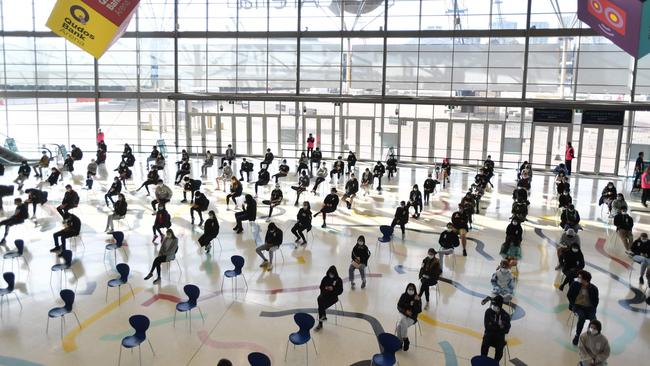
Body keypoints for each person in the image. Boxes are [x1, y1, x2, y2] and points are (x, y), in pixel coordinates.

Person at [568, 270, 599, 346]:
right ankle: (577, 335)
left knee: (594, 321)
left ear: (585, 279)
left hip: (589, 308)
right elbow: (569, 295)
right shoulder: (575, 284)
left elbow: (596, 301)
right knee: (582, 317)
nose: (578, 278)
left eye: (580, 277)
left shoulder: (594, 289)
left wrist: (593, 309)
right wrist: (573, 305)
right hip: (578, 307)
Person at [480, 295, 511, 362]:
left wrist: (501, 325)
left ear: (499, 306)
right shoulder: (488, 312)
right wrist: (498, 327)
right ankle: (483, 359)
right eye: (493, 305)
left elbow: (507, 330)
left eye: (495, 305)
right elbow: (487, 327)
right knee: (485, 344)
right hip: (490, 334)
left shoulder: (505, 316)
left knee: (500, 348)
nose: (493, 307)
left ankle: (496, 362)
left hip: (499, 336)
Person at [314, 265, 344, 331]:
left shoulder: (339, 280)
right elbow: (321, 287)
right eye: (330, 273)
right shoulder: (325, 278)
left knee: (321, 308)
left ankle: (320, 323)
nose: (331, 275)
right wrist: (325, 288)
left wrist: (333, 289)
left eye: (332, 274)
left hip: (334, 297)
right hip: (325, 295)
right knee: (319, 299)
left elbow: (340, 291)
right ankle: (323, 318)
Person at [395, 283, 422, 351]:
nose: (411, 290)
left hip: (412, 317)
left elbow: (419, 310)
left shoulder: (417, 297)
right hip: (403, 314)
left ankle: (400, 343)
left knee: (399, 326)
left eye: (412, 289)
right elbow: (399, 306)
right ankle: (405, 339)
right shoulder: (403, 296)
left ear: (414, 290)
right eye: (409, 289)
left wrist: (416, 302)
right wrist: (406, 311)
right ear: (407, 289)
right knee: (402, 320)